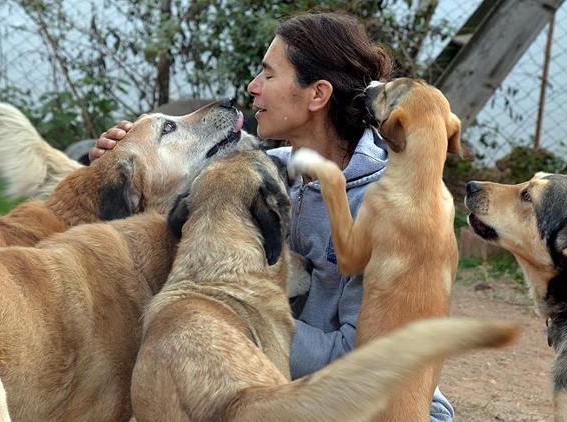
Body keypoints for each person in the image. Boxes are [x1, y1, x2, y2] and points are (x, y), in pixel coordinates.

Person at [90, 12, 454, 422]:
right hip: (271, 390)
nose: (253, 88)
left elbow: (354, 359)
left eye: (268, 74)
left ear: (317, 95)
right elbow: (155, 204)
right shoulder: (256, 172)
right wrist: (120, 162)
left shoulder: (384, 206)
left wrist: (230, 315)